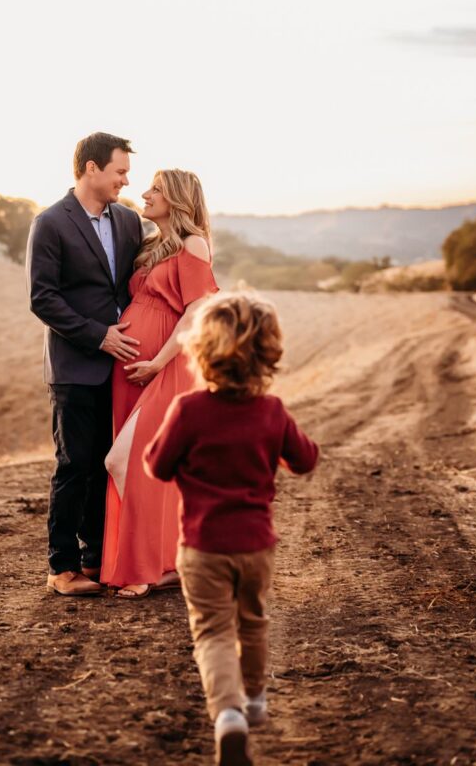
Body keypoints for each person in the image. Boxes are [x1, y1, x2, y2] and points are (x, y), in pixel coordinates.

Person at [144, 292, 319, 766]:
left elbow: (157, 467)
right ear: (268, 353)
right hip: (257, 546)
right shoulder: (273, 411)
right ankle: (256, 699)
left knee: (214, 633)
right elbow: (305, 460)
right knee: (253, 619)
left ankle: (228, 716)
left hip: (202, 547)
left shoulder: (188, 410)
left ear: (200, 352)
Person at [26, 132, 143, 597]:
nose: (125, 180)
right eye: (119, 171)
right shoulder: (51, 223)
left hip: (121, 368)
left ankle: (98, 560)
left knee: (106, 466)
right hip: (75, 365)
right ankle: (62, 568)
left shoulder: (131, 222)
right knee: (74, 465)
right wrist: (99, 336)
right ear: (91, 169)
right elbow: (43, 299)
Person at [100, 169, 218, 598]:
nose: (145, 194)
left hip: (166, 366)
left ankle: (146, 564)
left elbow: (195, 313)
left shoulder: (193, 243)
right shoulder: (151, 247)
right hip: (131, 369)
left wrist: (156, 363)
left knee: (128, 460)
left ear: (179, 200)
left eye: (156, 189)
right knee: (145, 466)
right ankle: (169, 565)